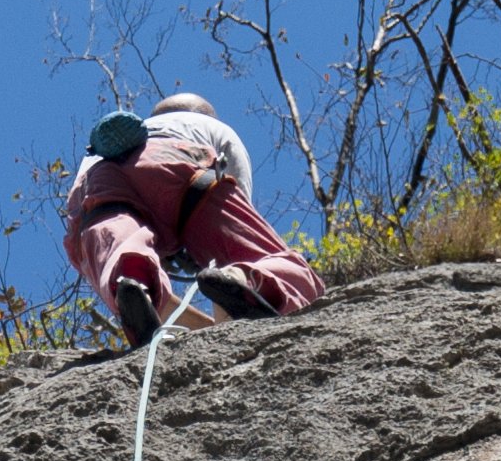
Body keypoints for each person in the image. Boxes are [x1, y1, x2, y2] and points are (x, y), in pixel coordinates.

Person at [62, 92, 326, 347]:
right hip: (178, 164)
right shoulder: (212, 127)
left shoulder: (104, 147)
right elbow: (235, 207)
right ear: (204, 114)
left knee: (118, 244)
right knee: (258, 254)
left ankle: (133, 278)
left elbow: (78, 213)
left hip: (98, 182)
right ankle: (249, 279)